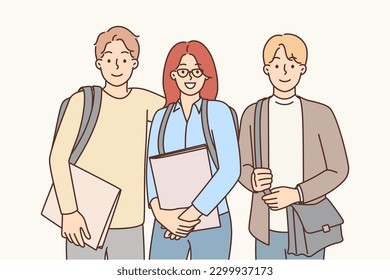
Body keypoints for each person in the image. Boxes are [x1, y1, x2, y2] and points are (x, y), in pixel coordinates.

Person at [49, 26, 165, 259]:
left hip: (131, 222)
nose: (116, 66)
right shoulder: (82, 101)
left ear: (135, 63)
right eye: (109, 58)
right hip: (85, 220)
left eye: (124, 58)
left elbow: (181, 113)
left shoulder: (144, 101)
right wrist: (69, 212)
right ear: (98, 63)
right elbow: (57, 158)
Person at [238, 33, 349, 259]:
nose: (284, 72)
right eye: (277, 65)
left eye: (291, 64)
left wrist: (297, 194)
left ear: (302, 68)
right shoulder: (252, 113)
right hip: (266, 227)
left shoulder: (321, 114)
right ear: (266, 68)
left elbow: (339, 169)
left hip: (309, 226)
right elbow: (240, 165)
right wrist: (251, 178)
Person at [146, 40, 240, 259]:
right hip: (167, 223)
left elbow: (230, 170)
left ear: (207, 77)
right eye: (183, 71)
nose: (190, 77)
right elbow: (150, 170)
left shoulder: (219, 112)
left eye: (197, 72)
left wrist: (193, 212)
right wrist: (160, 213)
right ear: (173, 75)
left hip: (212, 221)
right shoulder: (161, 117)